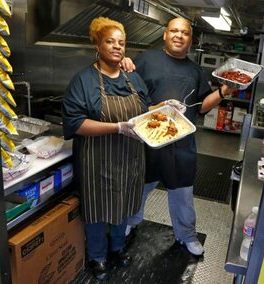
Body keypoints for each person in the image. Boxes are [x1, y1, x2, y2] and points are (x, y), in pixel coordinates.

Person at [122, 17, 235, 256]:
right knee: (139, 187)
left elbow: (203, 106)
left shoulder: (195, 71)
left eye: (184, 32)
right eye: (174, 30)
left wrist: (223, 92)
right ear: (165, 34)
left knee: (183, 191)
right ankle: (129, 223)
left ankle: (186, 235)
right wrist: (123, 61)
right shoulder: (146, 59)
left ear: (190, 39)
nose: (178, 35)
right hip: (149, 138)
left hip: (182, 142)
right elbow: (129, 90)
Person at [62, 17, 150, 281]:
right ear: (97, 45)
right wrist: (117, 127)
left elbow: (145, 112)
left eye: (121, 43)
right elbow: (76, 123)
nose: (117, 47)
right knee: (98, 208)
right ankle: (98, 256)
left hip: (130, 157)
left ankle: (117, 247)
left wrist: (164, 106)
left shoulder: (132, 77)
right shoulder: (84, 80)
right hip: (97, 160)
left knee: (123, 204)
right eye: (110, 42)